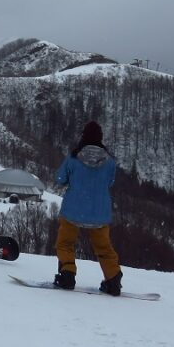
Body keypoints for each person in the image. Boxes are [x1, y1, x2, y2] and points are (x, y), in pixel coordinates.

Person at [53, 120, 122, 296]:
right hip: (100, 213)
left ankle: (67, 274)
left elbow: (60, 179)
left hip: (73, 211)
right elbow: (110, 182)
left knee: (65, 243)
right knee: (104, 248)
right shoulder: (109, 162)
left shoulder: (73, 158)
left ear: (83, 136)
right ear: (100, 138)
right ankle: (113, 279)